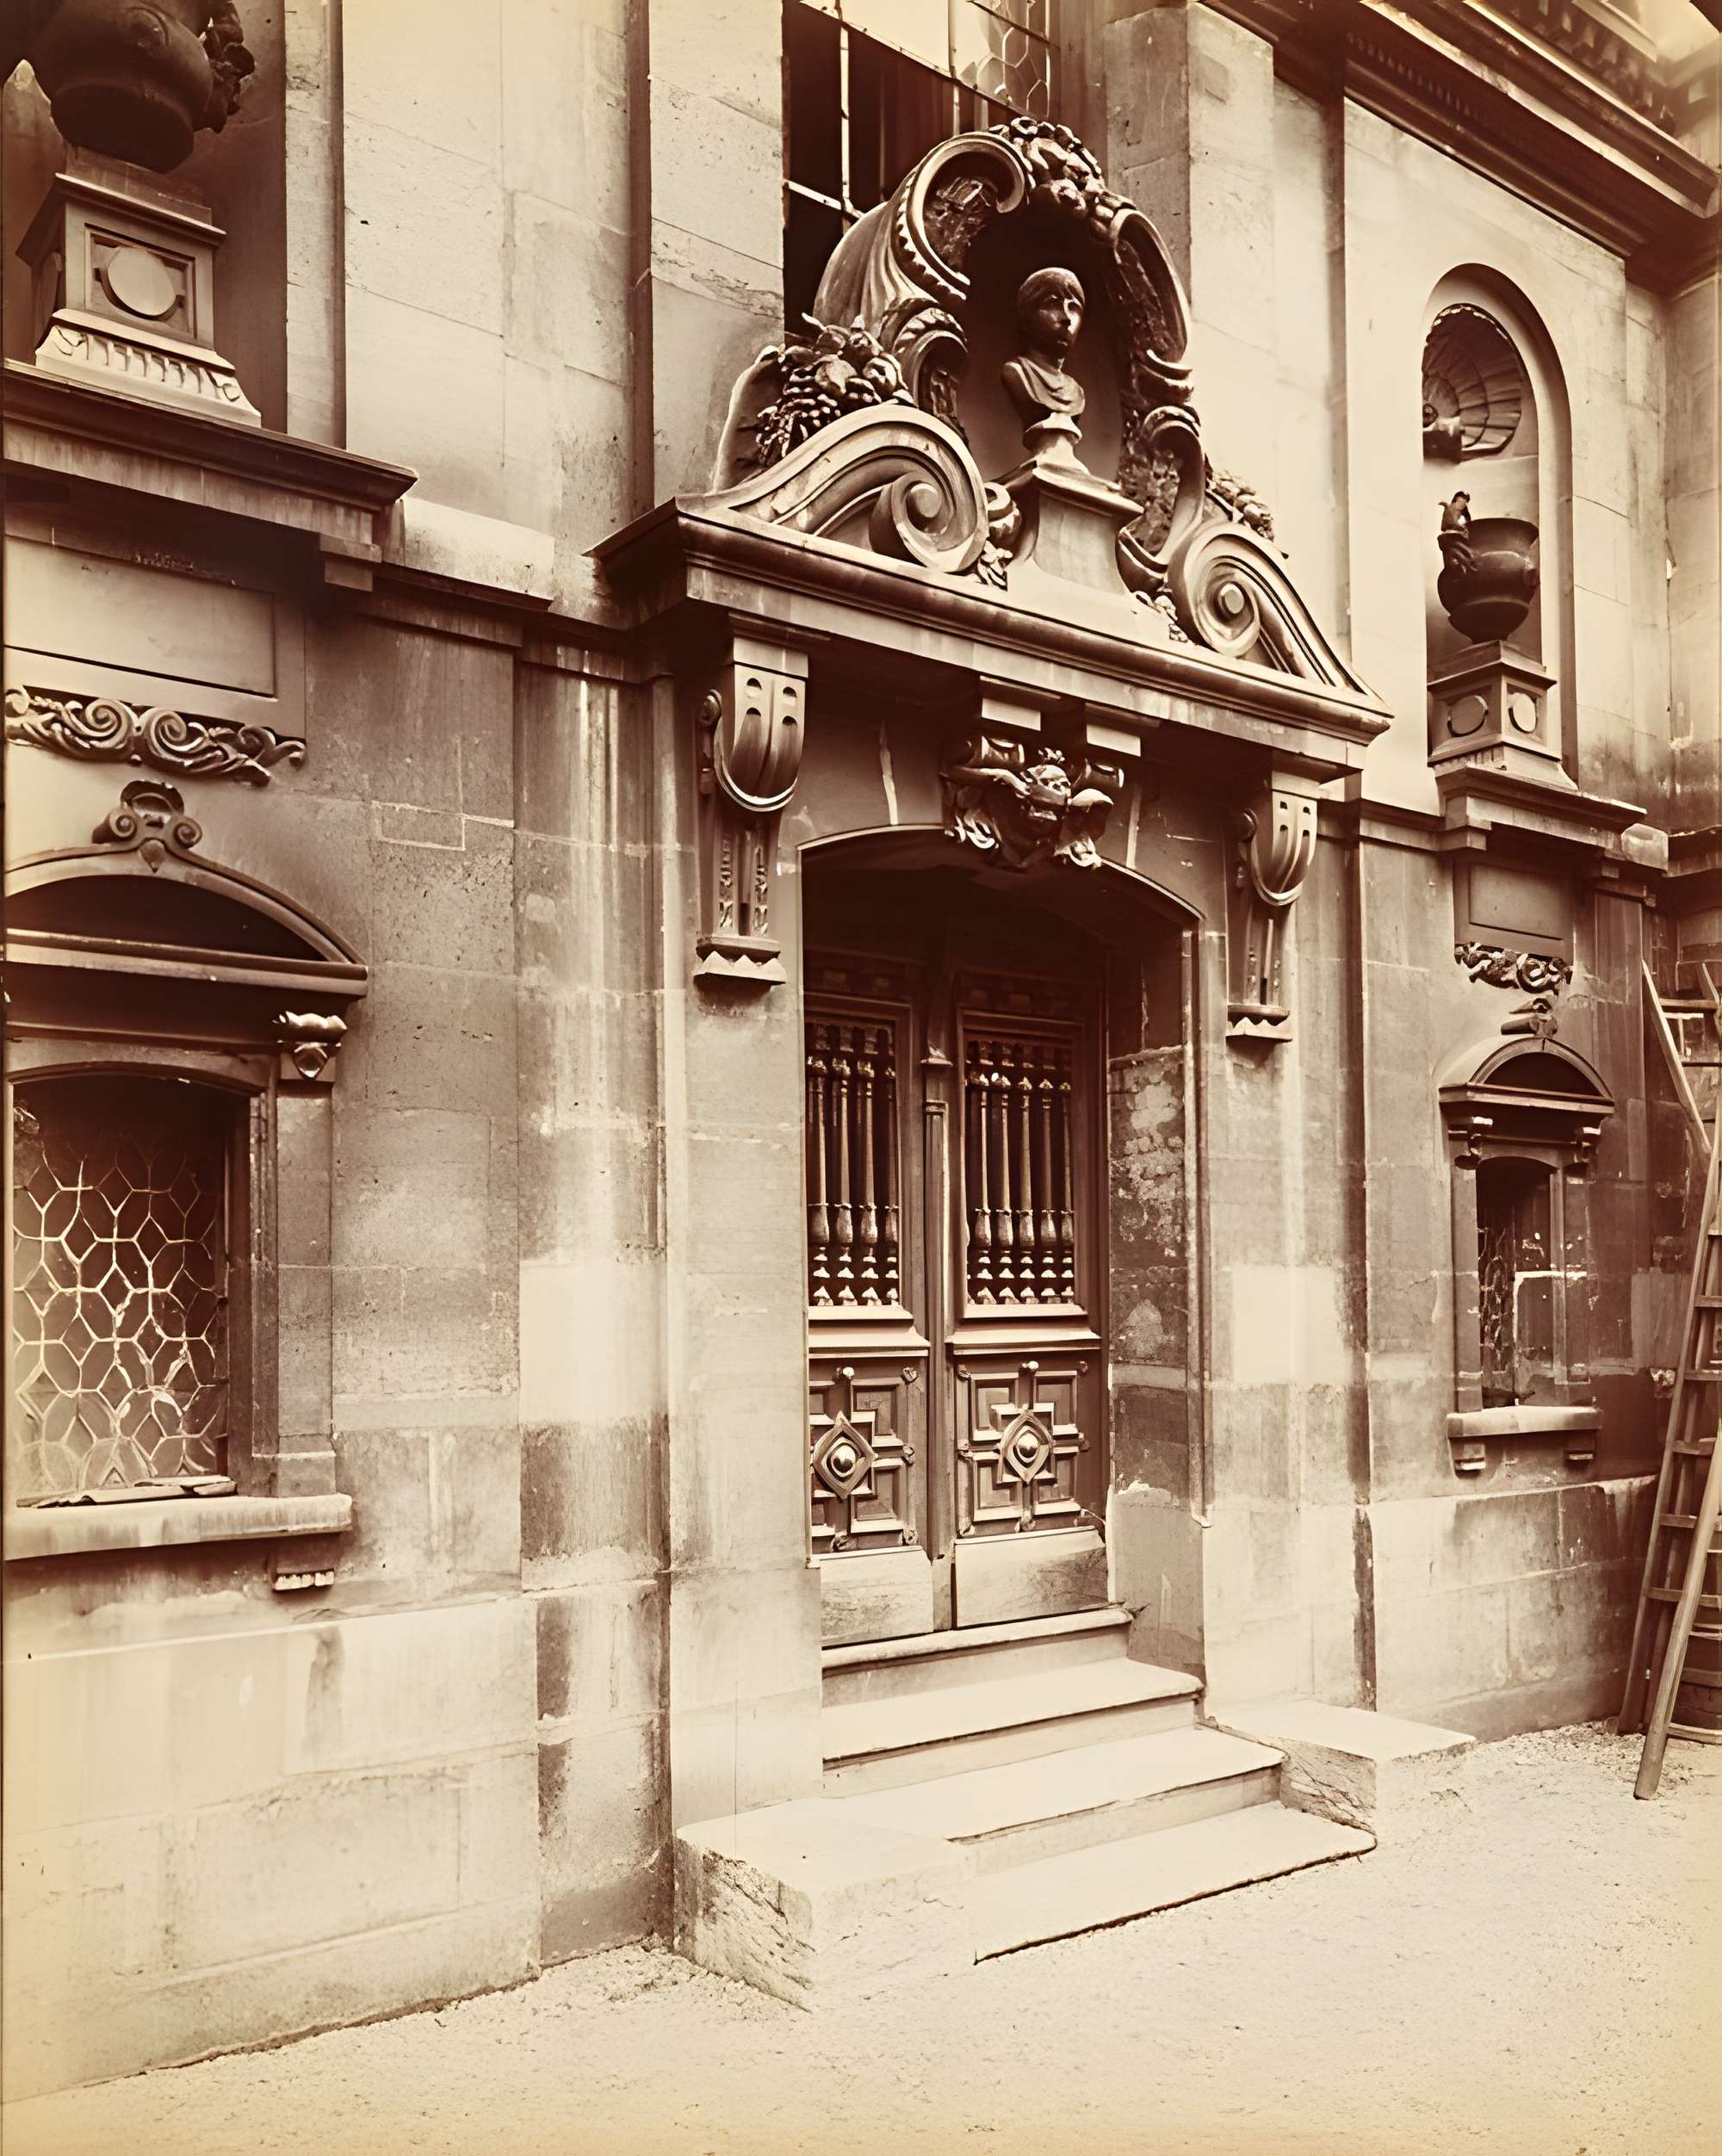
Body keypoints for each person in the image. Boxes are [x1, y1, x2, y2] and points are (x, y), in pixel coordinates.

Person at [1002, 267, 1087, 443]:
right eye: (1053, 304)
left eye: (1073, 307)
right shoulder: (1016, 373)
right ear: (1028, 318)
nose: (1067, 318)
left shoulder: (1077, 392)